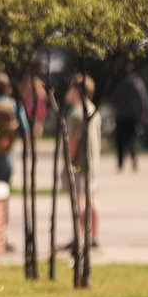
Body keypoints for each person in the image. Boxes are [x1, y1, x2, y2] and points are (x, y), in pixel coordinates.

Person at [65, 74, 102, 250]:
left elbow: (73, 141)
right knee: (92, 200)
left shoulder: (76, 113)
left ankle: (79, 237)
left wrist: (68, 161)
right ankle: (94, 236)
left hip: (79, 164)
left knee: (79, 201)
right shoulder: (93, 109)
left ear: (76, 90)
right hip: (93, 163)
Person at [111, 66, 148, 171]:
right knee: (131, 140)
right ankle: (130, 159)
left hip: (123, 116)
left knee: (122, 140)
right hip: (131, 116)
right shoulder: (137, 83)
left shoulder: (121, 84)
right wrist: (144, 115)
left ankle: (121, 162)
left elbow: (113, 97)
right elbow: (144, 101)